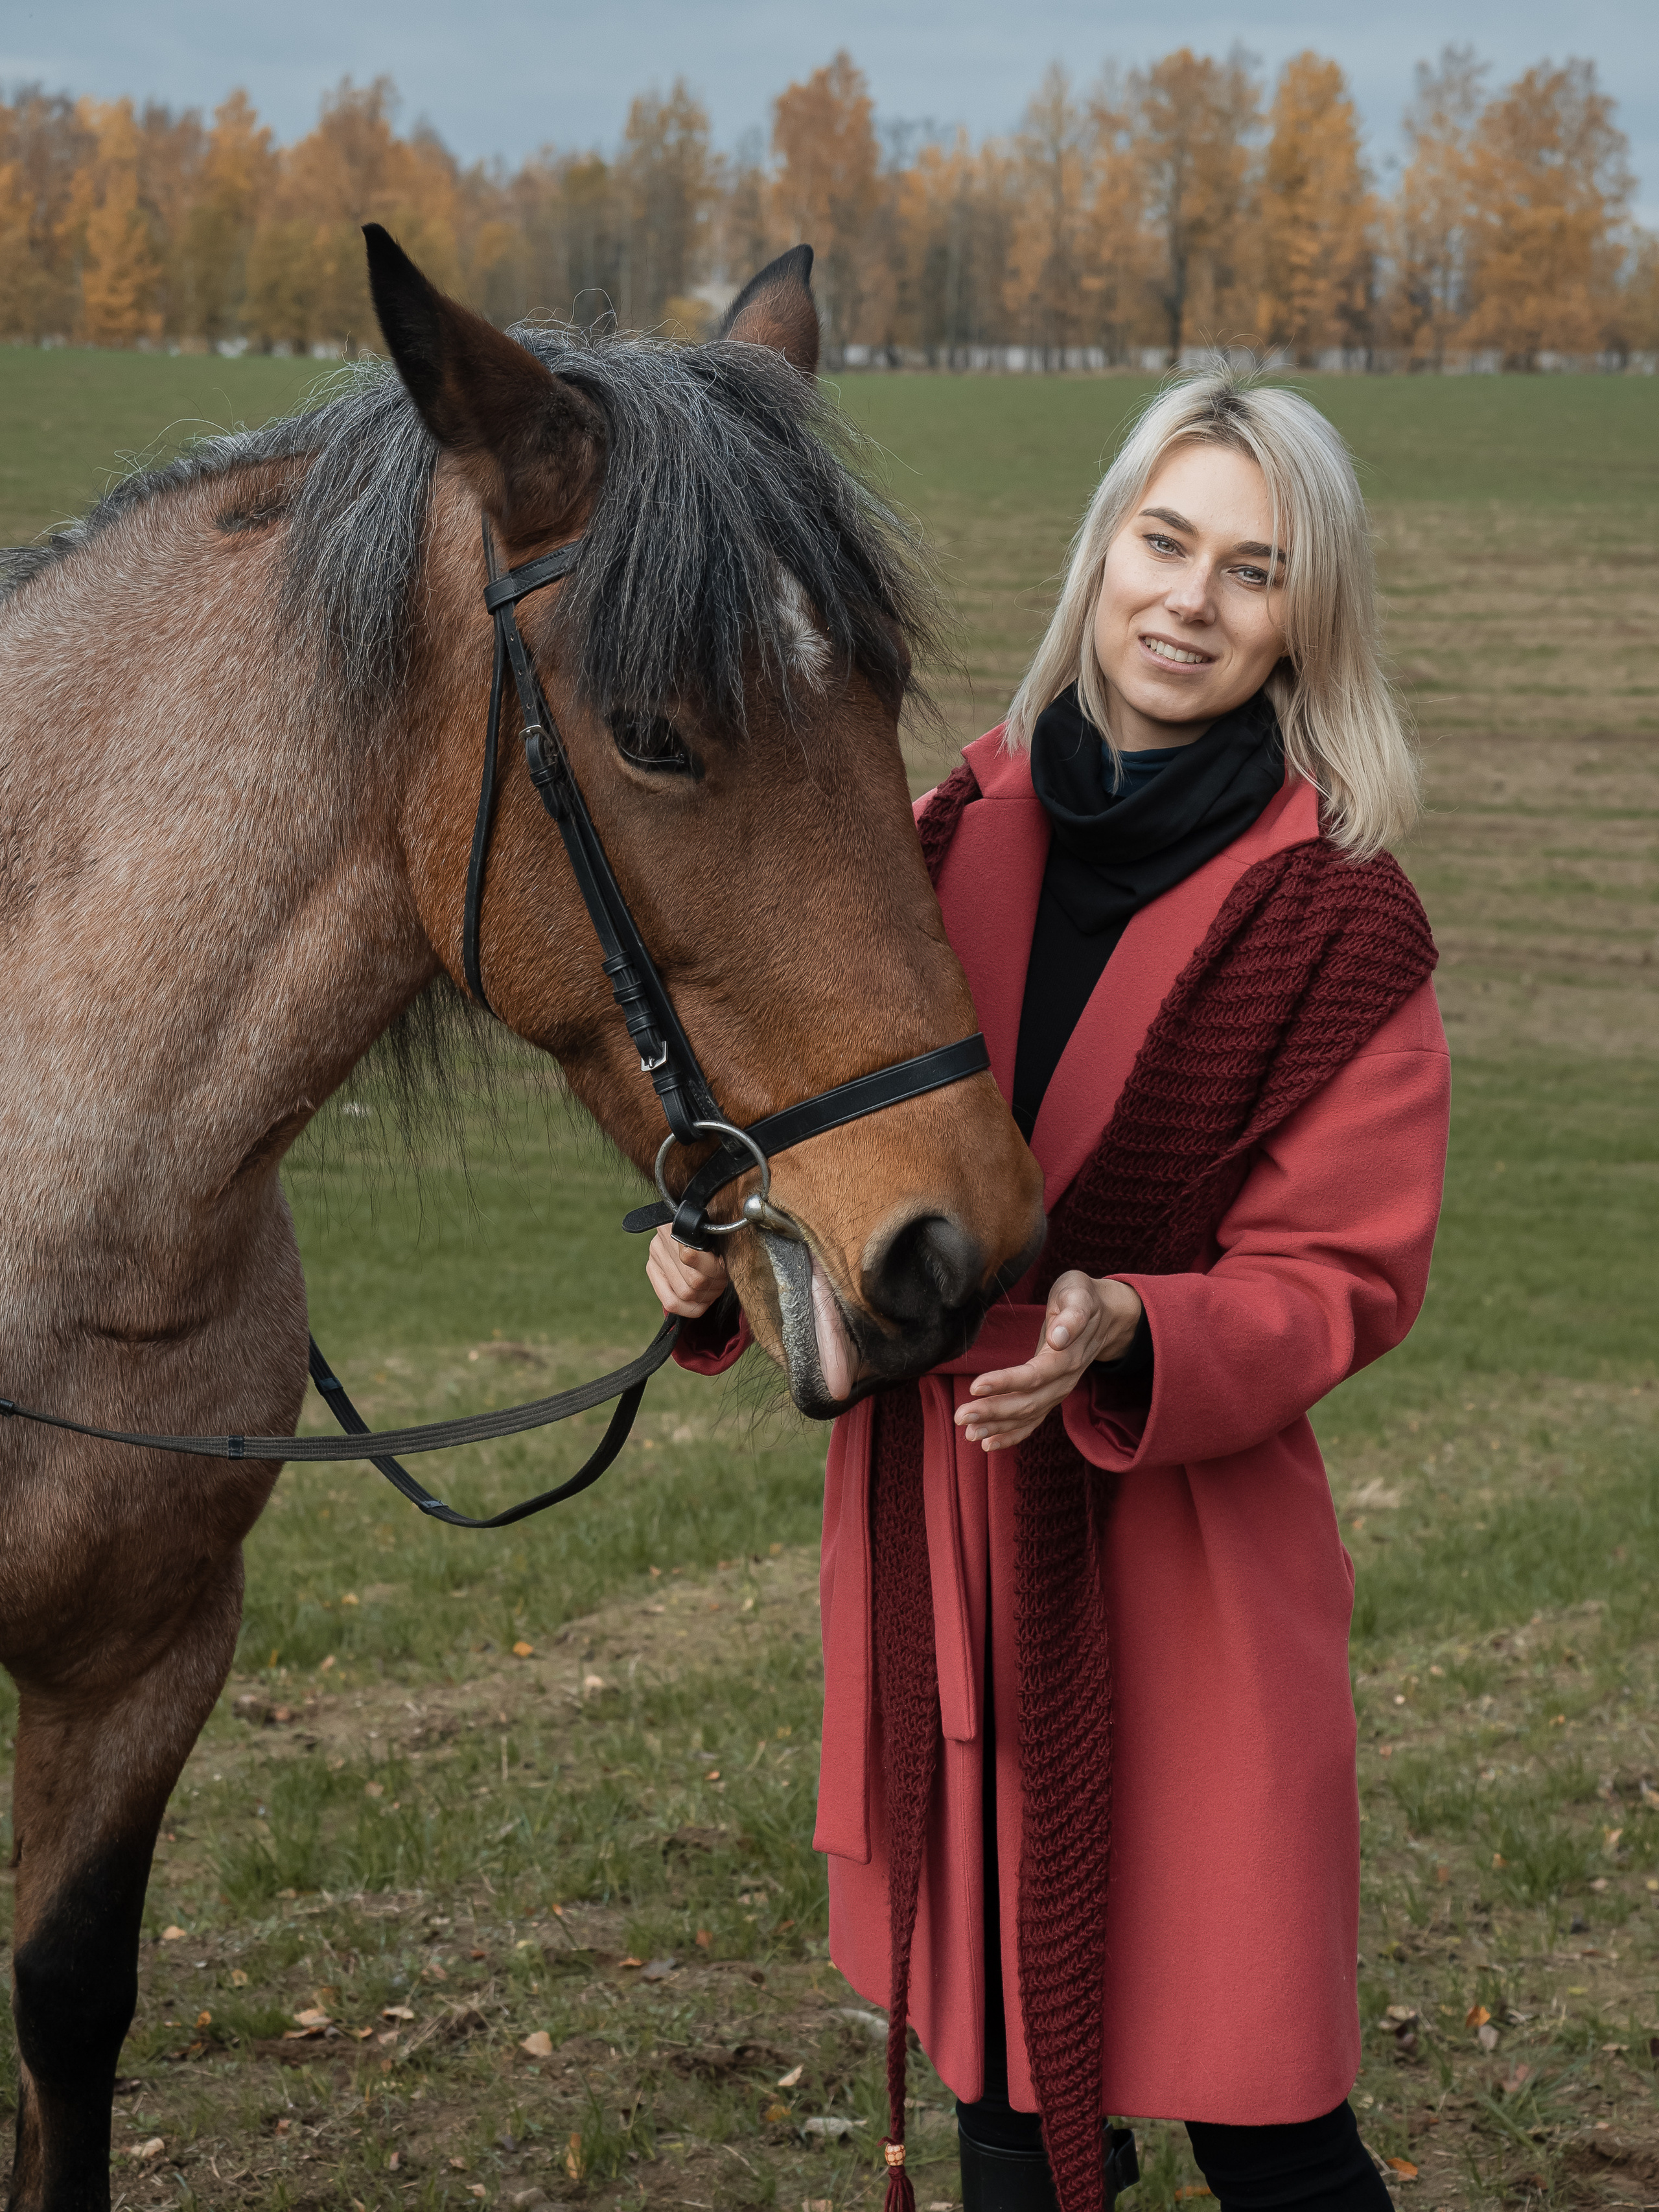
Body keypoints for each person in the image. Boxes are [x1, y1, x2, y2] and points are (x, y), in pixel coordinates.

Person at [648, 367, 1448, 2212]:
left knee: (1268, 2122)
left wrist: (1135, 1327)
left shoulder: (1337, 918)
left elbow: (1343, 1277)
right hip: (946, 1572)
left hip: (1184, 1585)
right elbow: (832, 1152)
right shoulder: (939, 837)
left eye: (1252, 571)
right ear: (1102, 556)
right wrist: (722, 1252)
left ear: (1305, 616)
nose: (1189, 599)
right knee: (1007, 2104)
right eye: (1163, 542)